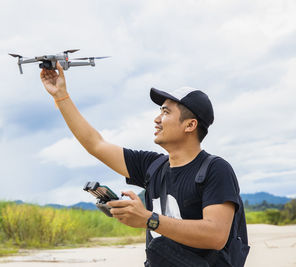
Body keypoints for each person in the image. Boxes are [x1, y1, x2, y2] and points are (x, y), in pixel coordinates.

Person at [40, 62, 249, 266]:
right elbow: (96, 144)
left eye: (166, 112)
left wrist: (150, 219)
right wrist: (61, 96)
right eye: (160, 111)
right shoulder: (153, 166)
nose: (157, 119)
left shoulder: (216, 169)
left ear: (190, 125)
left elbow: (216, 235)